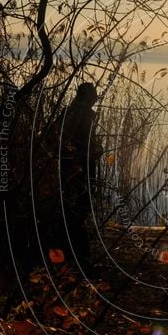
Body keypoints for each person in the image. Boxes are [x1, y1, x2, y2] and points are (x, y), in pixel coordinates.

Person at [59, 82, 101, 268]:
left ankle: (73, 256)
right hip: (79, 168)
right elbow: (77, 143)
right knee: (79, 211)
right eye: (93, 95)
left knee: (73, 211)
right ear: (86, 97)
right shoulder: (79, 114)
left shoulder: (69, 112)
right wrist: (90, 153)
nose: (96, 98)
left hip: (73, 168)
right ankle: (80, 260)